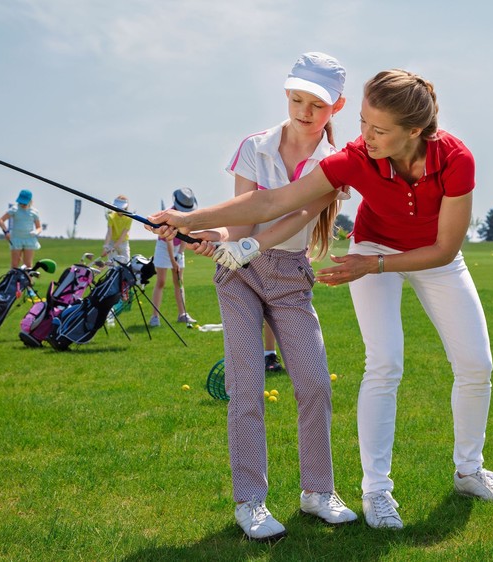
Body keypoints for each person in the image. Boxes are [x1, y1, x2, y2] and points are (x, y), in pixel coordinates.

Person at [149, 69, 493, 531]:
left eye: (379, 130)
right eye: (363, 123)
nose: (365, 137)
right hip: (374, 247)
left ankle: (469, 470)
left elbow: (444, 249)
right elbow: (271, 204)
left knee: (476, 364)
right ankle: (377, 492)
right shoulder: (354, 158)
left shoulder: (456, 159)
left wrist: (373, 268)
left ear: (415, 132)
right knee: (385, 362)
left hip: (431, 257)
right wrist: (190, 218)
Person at [161, 52, 356, 541]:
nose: (304, 112)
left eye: (317, 104)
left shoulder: (335, 163)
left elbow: (292, 215)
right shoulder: (255, 147)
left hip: (290, 273)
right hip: (240, 276)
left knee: (314, 384)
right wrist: (216, 240)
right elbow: (244, 218)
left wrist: (215, 229)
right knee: (246, 387)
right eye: (296, 99)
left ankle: (317, 492)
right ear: (285, 95)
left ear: (337, 107)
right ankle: (251, 502)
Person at [150, 188, 198, 327]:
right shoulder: (168, 216)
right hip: (164, 247)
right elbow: (169, 240)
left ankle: (182, 314)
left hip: (178, 249)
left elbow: (185, 237)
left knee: (179, 281)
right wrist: (173, 260)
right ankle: (155, 317)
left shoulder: (187, 217)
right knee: (161, 282)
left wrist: (180, 254)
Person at [0, 189, 42, 269]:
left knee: (28, 266)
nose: (22, 204)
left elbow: (39, 227)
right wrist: (6, 232)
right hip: (16, 239)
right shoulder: (14, 209)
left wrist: (36, 232)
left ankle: (28, 281)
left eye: (24, 202)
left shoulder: (34, 212)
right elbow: (0, 221)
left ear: (30, 201)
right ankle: (13, 281)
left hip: (29, 240)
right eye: (21, 202)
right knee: (14, 265)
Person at [102, 195, 132, 263]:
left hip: (123, 242)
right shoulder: (111, 216)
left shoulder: (129, 218)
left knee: (127, 264)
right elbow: (109, 233)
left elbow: (123, 235)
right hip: (112, 241)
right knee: (111, 264)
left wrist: (113, 248)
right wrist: (106, 247)